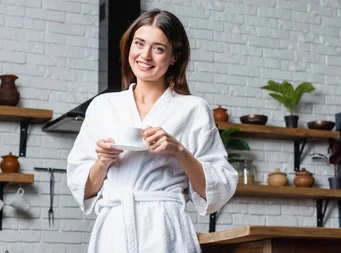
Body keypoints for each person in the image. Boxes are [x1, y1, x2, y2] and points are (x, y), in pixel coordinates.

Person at [66, 9, 237, 253]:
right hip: (114, 232)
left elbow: (217, 188)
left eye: (158, 48)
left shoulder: (193, 109)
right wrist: (103, 161)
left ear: (174, 57)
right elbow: (84, 189)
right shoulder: (103, 106)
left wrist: (178, 150)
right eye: (139, 44)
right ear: (129, 48)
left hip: (165, 230)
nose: (145, 55)